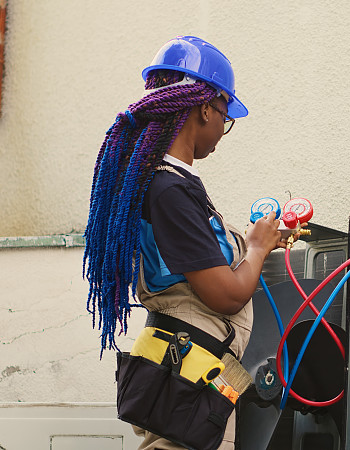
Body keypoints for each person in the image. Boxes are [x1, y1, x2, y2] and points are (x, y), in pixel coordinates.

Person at [83, 36, 287, 450]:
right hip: (190, 380)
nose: (223, 131)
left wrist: (253, 244)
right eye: (225, 117)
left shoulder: (169, 184)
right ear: (205, 107)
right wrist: (257, 248)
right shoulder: (169, 190)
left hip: (198, 374)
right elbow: (226, 295)